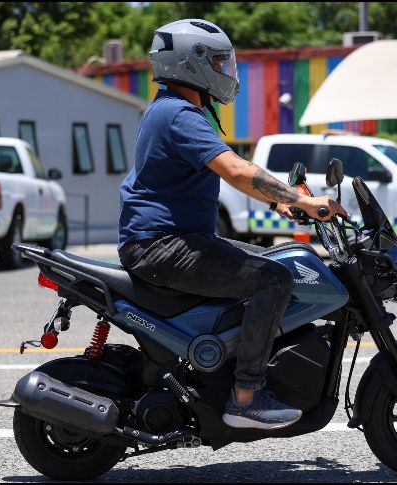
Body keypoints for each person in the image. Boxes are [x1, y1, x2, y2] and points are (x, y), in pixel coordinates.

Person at [118, 19, 348, 430]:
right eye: (218, 62)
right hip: (163, 245)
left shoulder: (173, 109)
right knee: (273, 279)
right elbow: (236, 170)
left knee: (282, 261)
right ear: (190, 62)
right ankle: (246, 396)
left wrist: (281, 204)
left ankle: (230, 370)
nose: (226, 71)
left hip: (170, 241)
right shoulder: (179, 114)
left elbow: (220, 174)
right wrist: (302, 200)